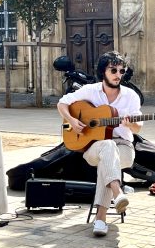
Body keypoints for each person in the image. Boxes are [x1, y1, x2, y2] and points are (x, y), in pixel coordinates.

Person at [57, 51, 142, 237]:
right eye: (114, 70)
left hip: (124, 148)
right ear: (103, 71)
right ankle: (117, 194)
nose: (118, 74)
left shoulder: (131, 96)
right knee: (106, 147)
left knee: (108, 156)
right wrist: (72, 121)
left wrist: (130, 123)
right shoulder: (90, 90)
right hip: (92, 147)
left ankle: (101, 218)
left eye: (122, 71)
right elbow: (62, 104)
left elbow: (137, 129)